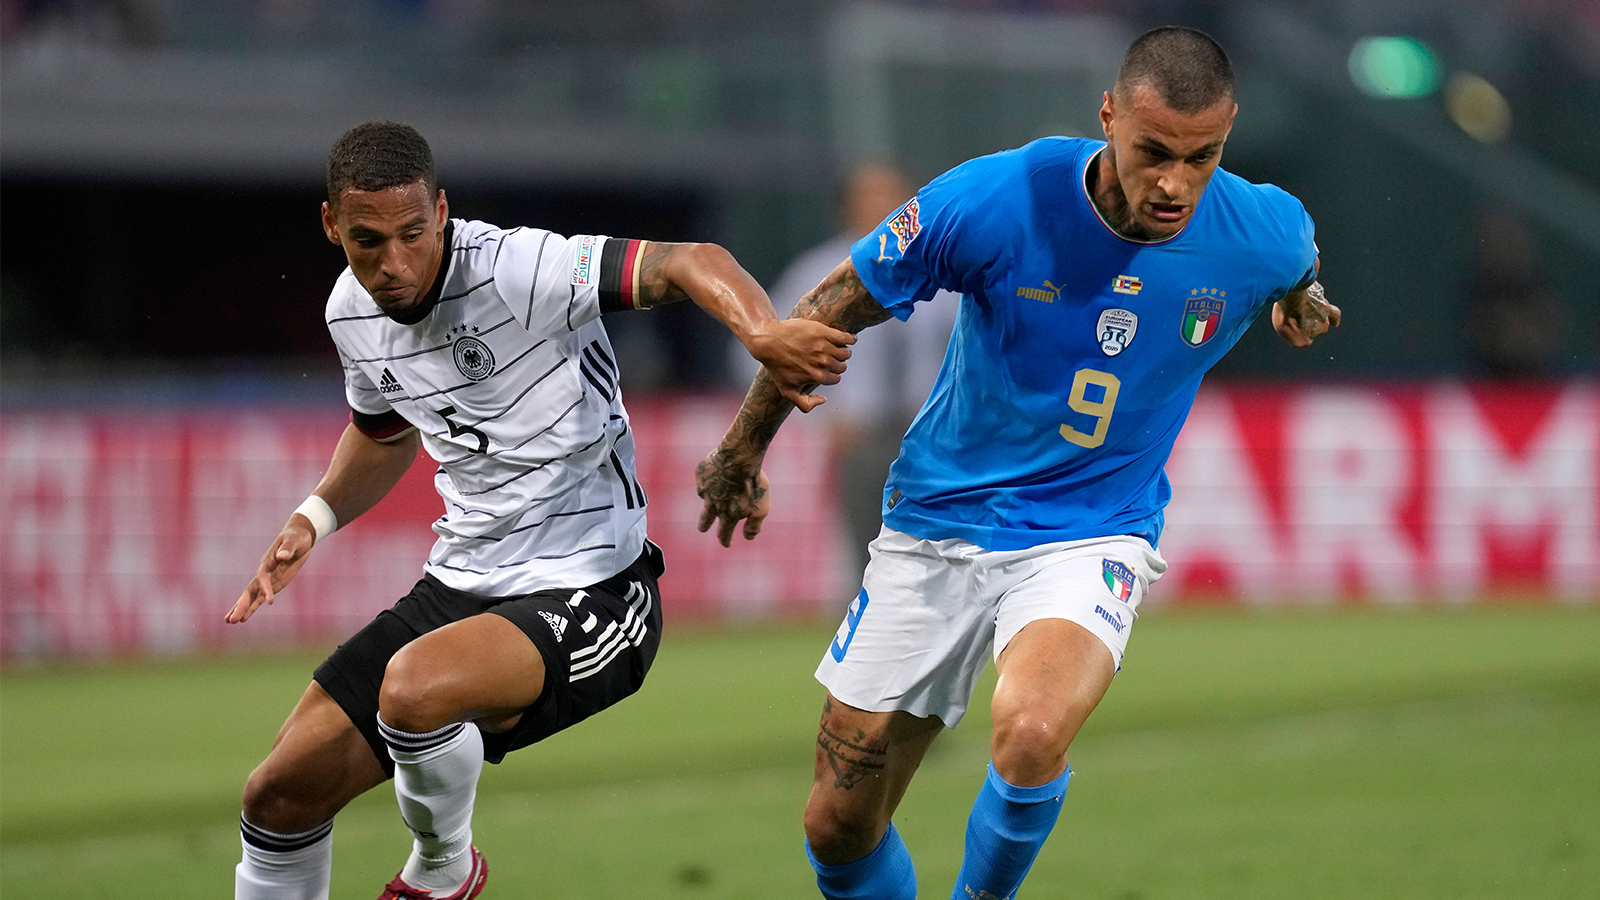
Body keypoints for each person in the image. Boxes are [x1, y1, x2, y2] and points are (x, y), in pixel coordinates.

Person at [695, 27, 1340, 900]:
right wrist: (742, 447)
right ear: (1108, 116)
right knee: (837, 823)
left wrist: (1301, 299)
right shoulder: (997, 199)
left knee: (1031, 731)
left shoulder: (1258, 228)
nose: (1175, 183)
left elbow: (1296, 263)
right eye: (1153, 152)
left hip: (1091, 531)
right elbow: (827, 309)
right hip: (935, 525)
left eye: (1203, 157)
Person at [225, 121, 853, 900]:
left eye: (413, 234)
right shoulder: (350, 311)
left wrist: (760, 330)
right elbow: (384, 436)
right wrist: (312, 517)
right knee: (278, 795)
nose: (394, 264)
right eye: (367, 241)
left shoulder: (520, 268)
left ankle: (445, 868)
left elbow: (690, 261)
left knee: (413, 691)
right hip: (461, 580)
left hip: (594, 589)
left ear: (442, 212)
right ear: (331, 226)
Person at [733, 162, 961, 578]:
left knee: (947, 551)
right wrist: (823, 415)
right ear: (846, 208)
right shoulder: (818, 272)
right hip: (861, 434)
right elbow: (760, 348)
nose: (883, 205)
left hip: (936, 430)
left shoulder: (945, 268)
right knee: (869, 548)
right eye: (870, 196)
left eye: (894, 193)